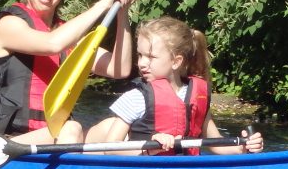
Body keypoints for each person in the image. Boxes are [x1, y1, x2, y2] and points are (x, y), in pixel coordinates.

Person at [0, 0, 141, 144]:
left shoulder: (68, 35)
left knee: (112, 127)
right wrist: (103, 4)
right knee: (72, 128)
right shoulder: (9, 24)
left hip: (56, 135)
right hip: (6, 139)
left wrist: (122, 11)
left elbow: (120, 69)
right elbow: (52, 44)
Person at [85, 16, 264, 155]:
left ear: (176, 61)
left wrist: (243, 148)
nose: (141, 63)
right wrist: (148, 149)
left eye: (151, 57)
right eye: (140, 55)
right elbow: (111, 147)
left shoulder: (197, 96)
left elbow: (215, 142)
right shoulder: (136, 97)